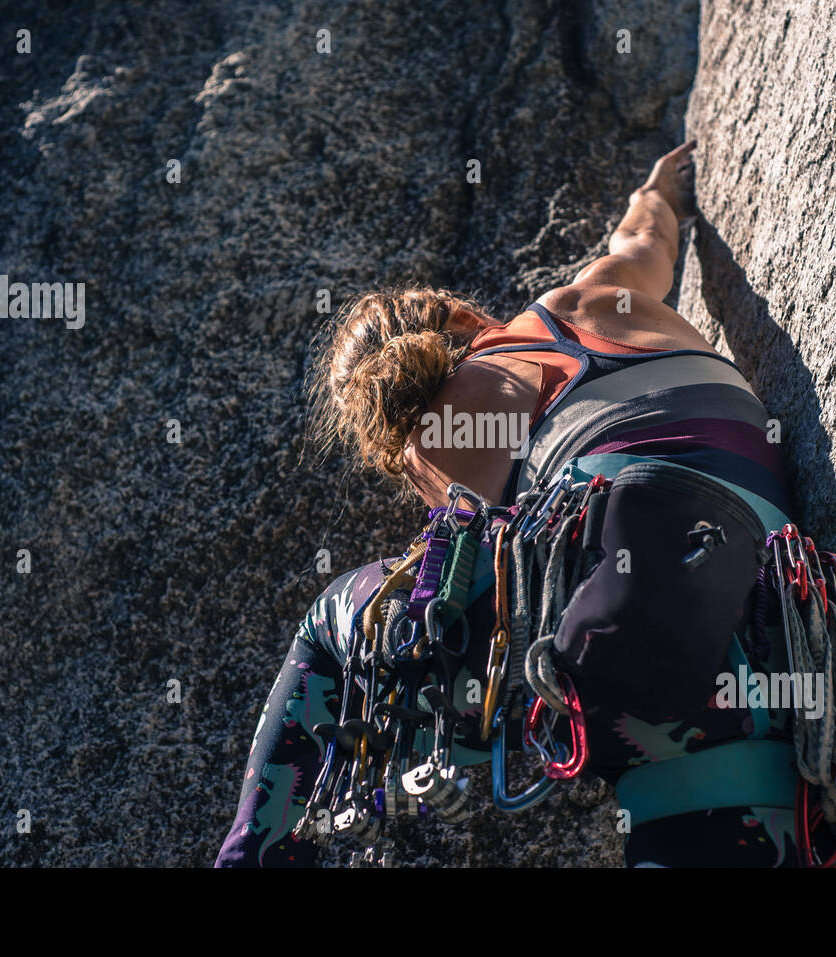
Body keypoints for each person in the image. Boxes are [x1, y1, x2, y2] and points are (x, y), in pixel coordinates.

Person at [215, 141, 801, 867]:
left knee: (340, 619)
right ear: (465, 315)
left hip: (626, 601)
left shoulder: (441, 428)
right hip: (773, 602)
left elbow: (450, 592)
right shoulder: (579, 301)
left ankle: (255, 855)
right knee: (690, 765)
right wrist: (660, 189)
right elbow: (645, 238)